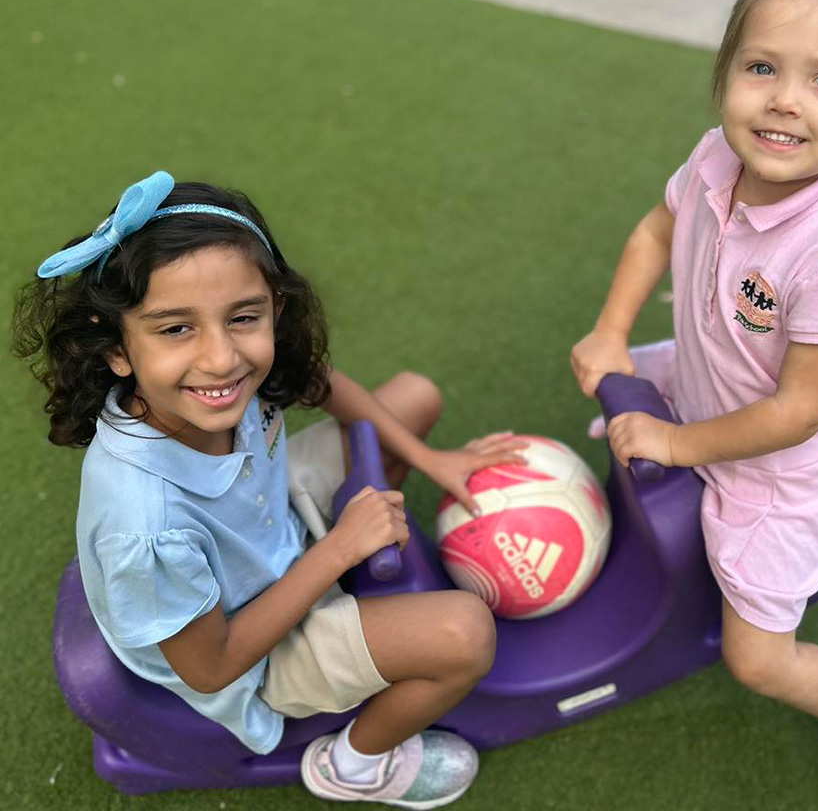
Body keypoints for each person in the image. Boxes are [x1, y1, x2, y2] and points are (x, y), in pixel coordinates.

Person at [14, 173, 527, 807]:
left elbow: (322, 382)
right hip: (251, 653)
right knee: (465, 633)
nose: (222, 358)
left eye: (243, 317)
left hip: (269, 524)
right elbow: (213, 666)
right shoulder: (148, 525)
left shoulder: (226, 380)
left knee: (414, 401)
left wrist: (427, 458)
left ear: (273, 309)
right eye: (176, 329)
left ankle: (356, 574)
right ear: (117, 348)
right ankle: (352, 766)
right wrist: (338, 552)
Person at [571, 0, 818, 805]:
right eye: (761, 67)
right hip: (706, 380)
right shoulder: (718, 158)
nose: (784, 100)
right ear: (727, 71)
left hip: (783, 464)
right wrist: (612, 331)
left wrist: (678, 442)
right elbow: (658, 232)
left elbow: (801, 411)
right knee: (616, 429)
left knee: (757, 659)